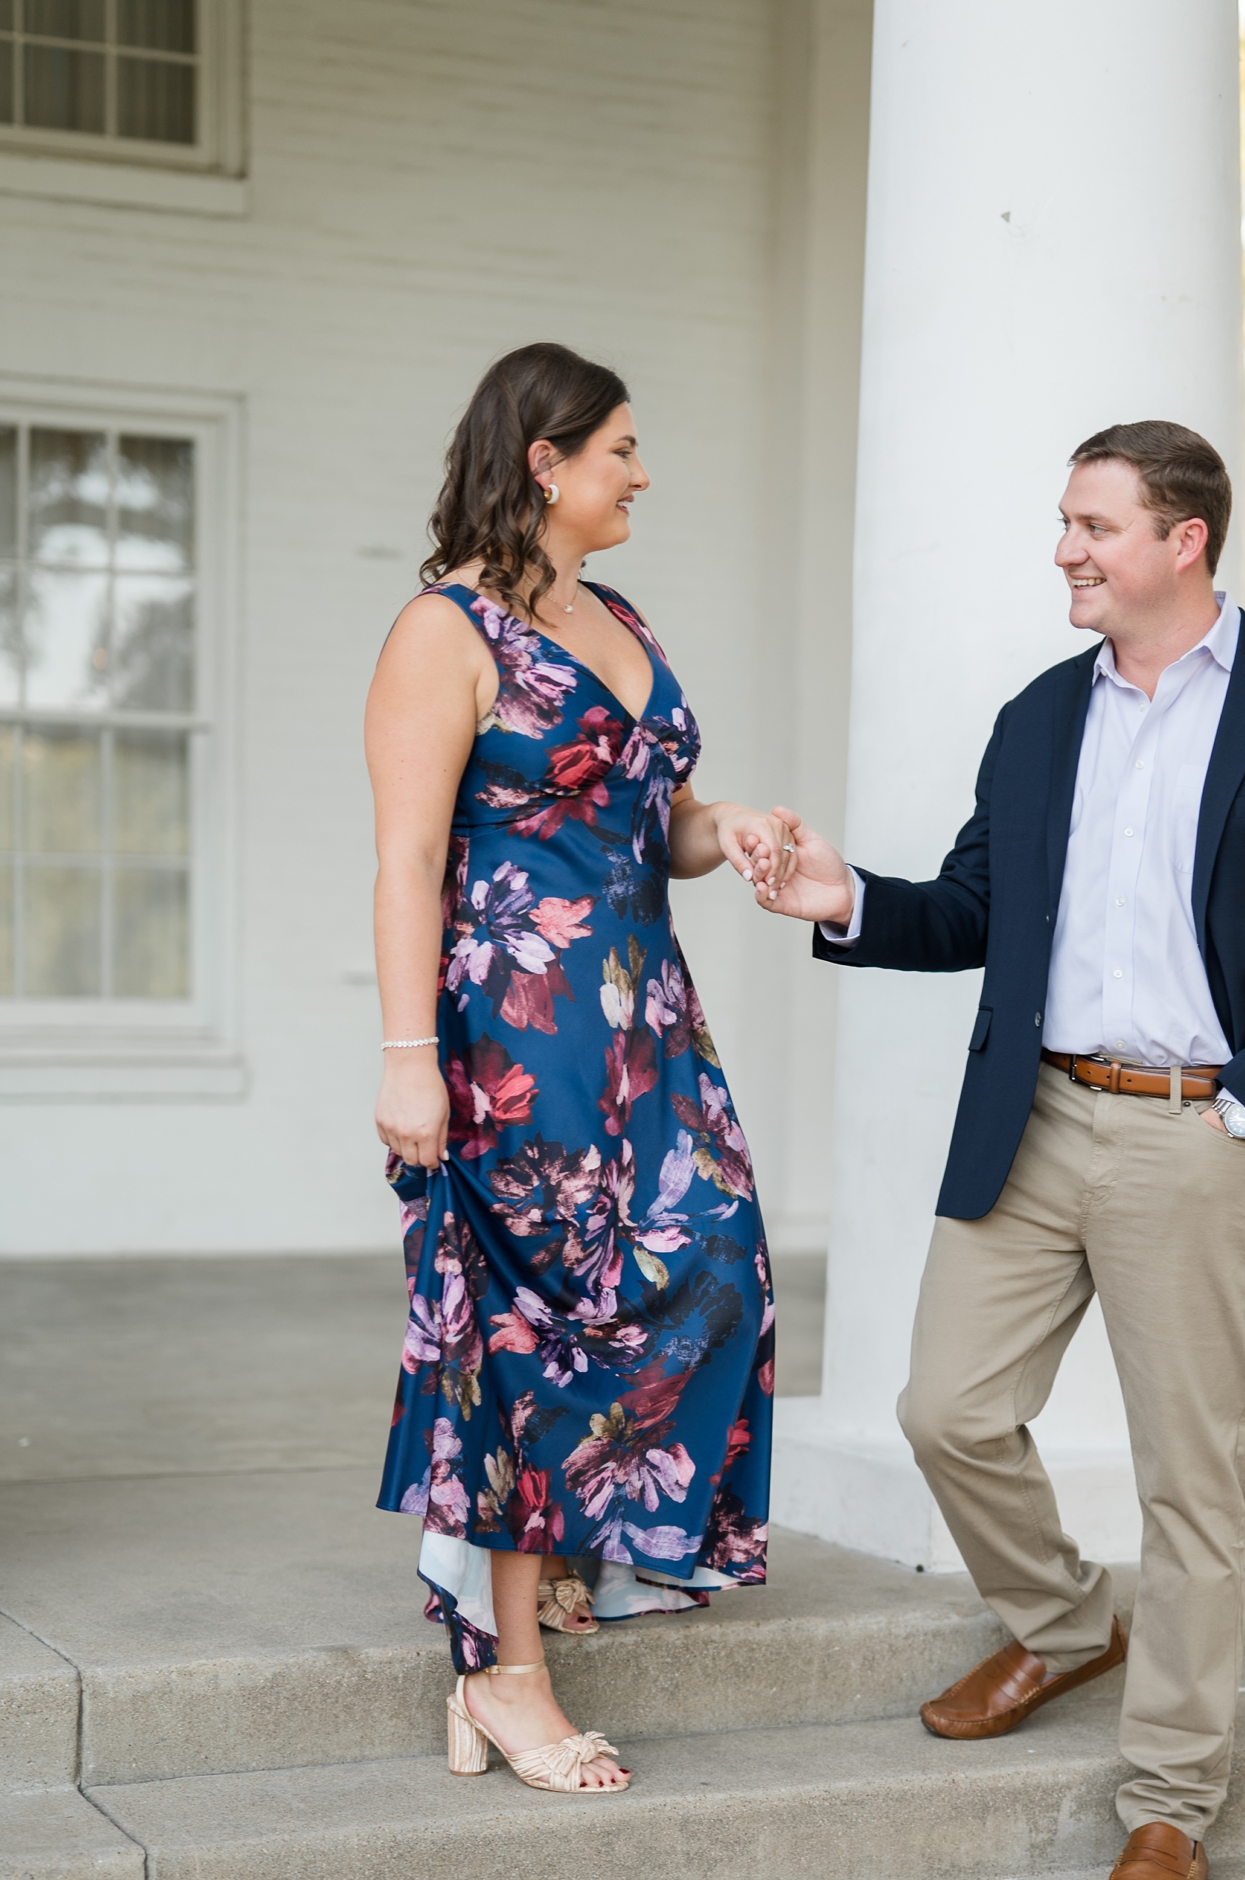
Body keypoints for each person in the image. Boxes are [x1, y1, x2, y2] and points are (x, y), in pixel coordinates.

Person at [755, 421, 1245, 1880]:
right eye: (1066, 521)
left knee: (1194, 1488)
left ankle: (1170, 1802)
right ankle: (1063, 1619)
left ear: (1185, 539)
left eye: (1093, 525)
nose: (1067, 548)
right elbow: (980, 906)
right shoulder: (1043, 715)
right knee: (946, 1408)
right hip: (1038, 1120)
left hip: (1200, 1132)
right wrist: (842, 893)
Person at [366, 343, 785, 1794]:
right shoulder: (444, 631)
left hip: (645, 1020)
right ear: (545, 462)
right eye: (620, 447)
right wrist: (409, 1059)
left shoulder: (621, 615)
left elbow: (642, 815)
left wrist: (722, 824)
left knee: (715, 1265)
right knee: (522, 1331)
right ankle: (504, 1675)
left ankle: (553, 1564)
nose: (641, 471)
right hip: (509, 1031)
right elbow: (411, 858)